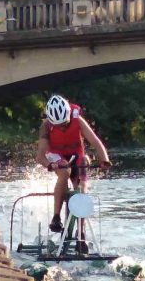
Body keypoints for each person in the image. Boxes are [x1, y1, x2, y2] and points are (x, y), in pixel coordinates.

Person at [35, 95, 111, 233]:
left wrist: (104, 160)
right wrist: (50, 165)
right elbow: (40, 156)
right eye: (58, 126)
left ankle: (81, 229)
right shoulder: (46, 126)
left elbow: (95, 141)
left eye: (65, 124)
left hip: (76, 154)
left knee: (82, 178)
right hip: (56, 155)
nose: (63, 128)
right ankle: (56, 217)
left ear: (69, 114)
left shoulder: (78, 119)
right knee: (64, 171)